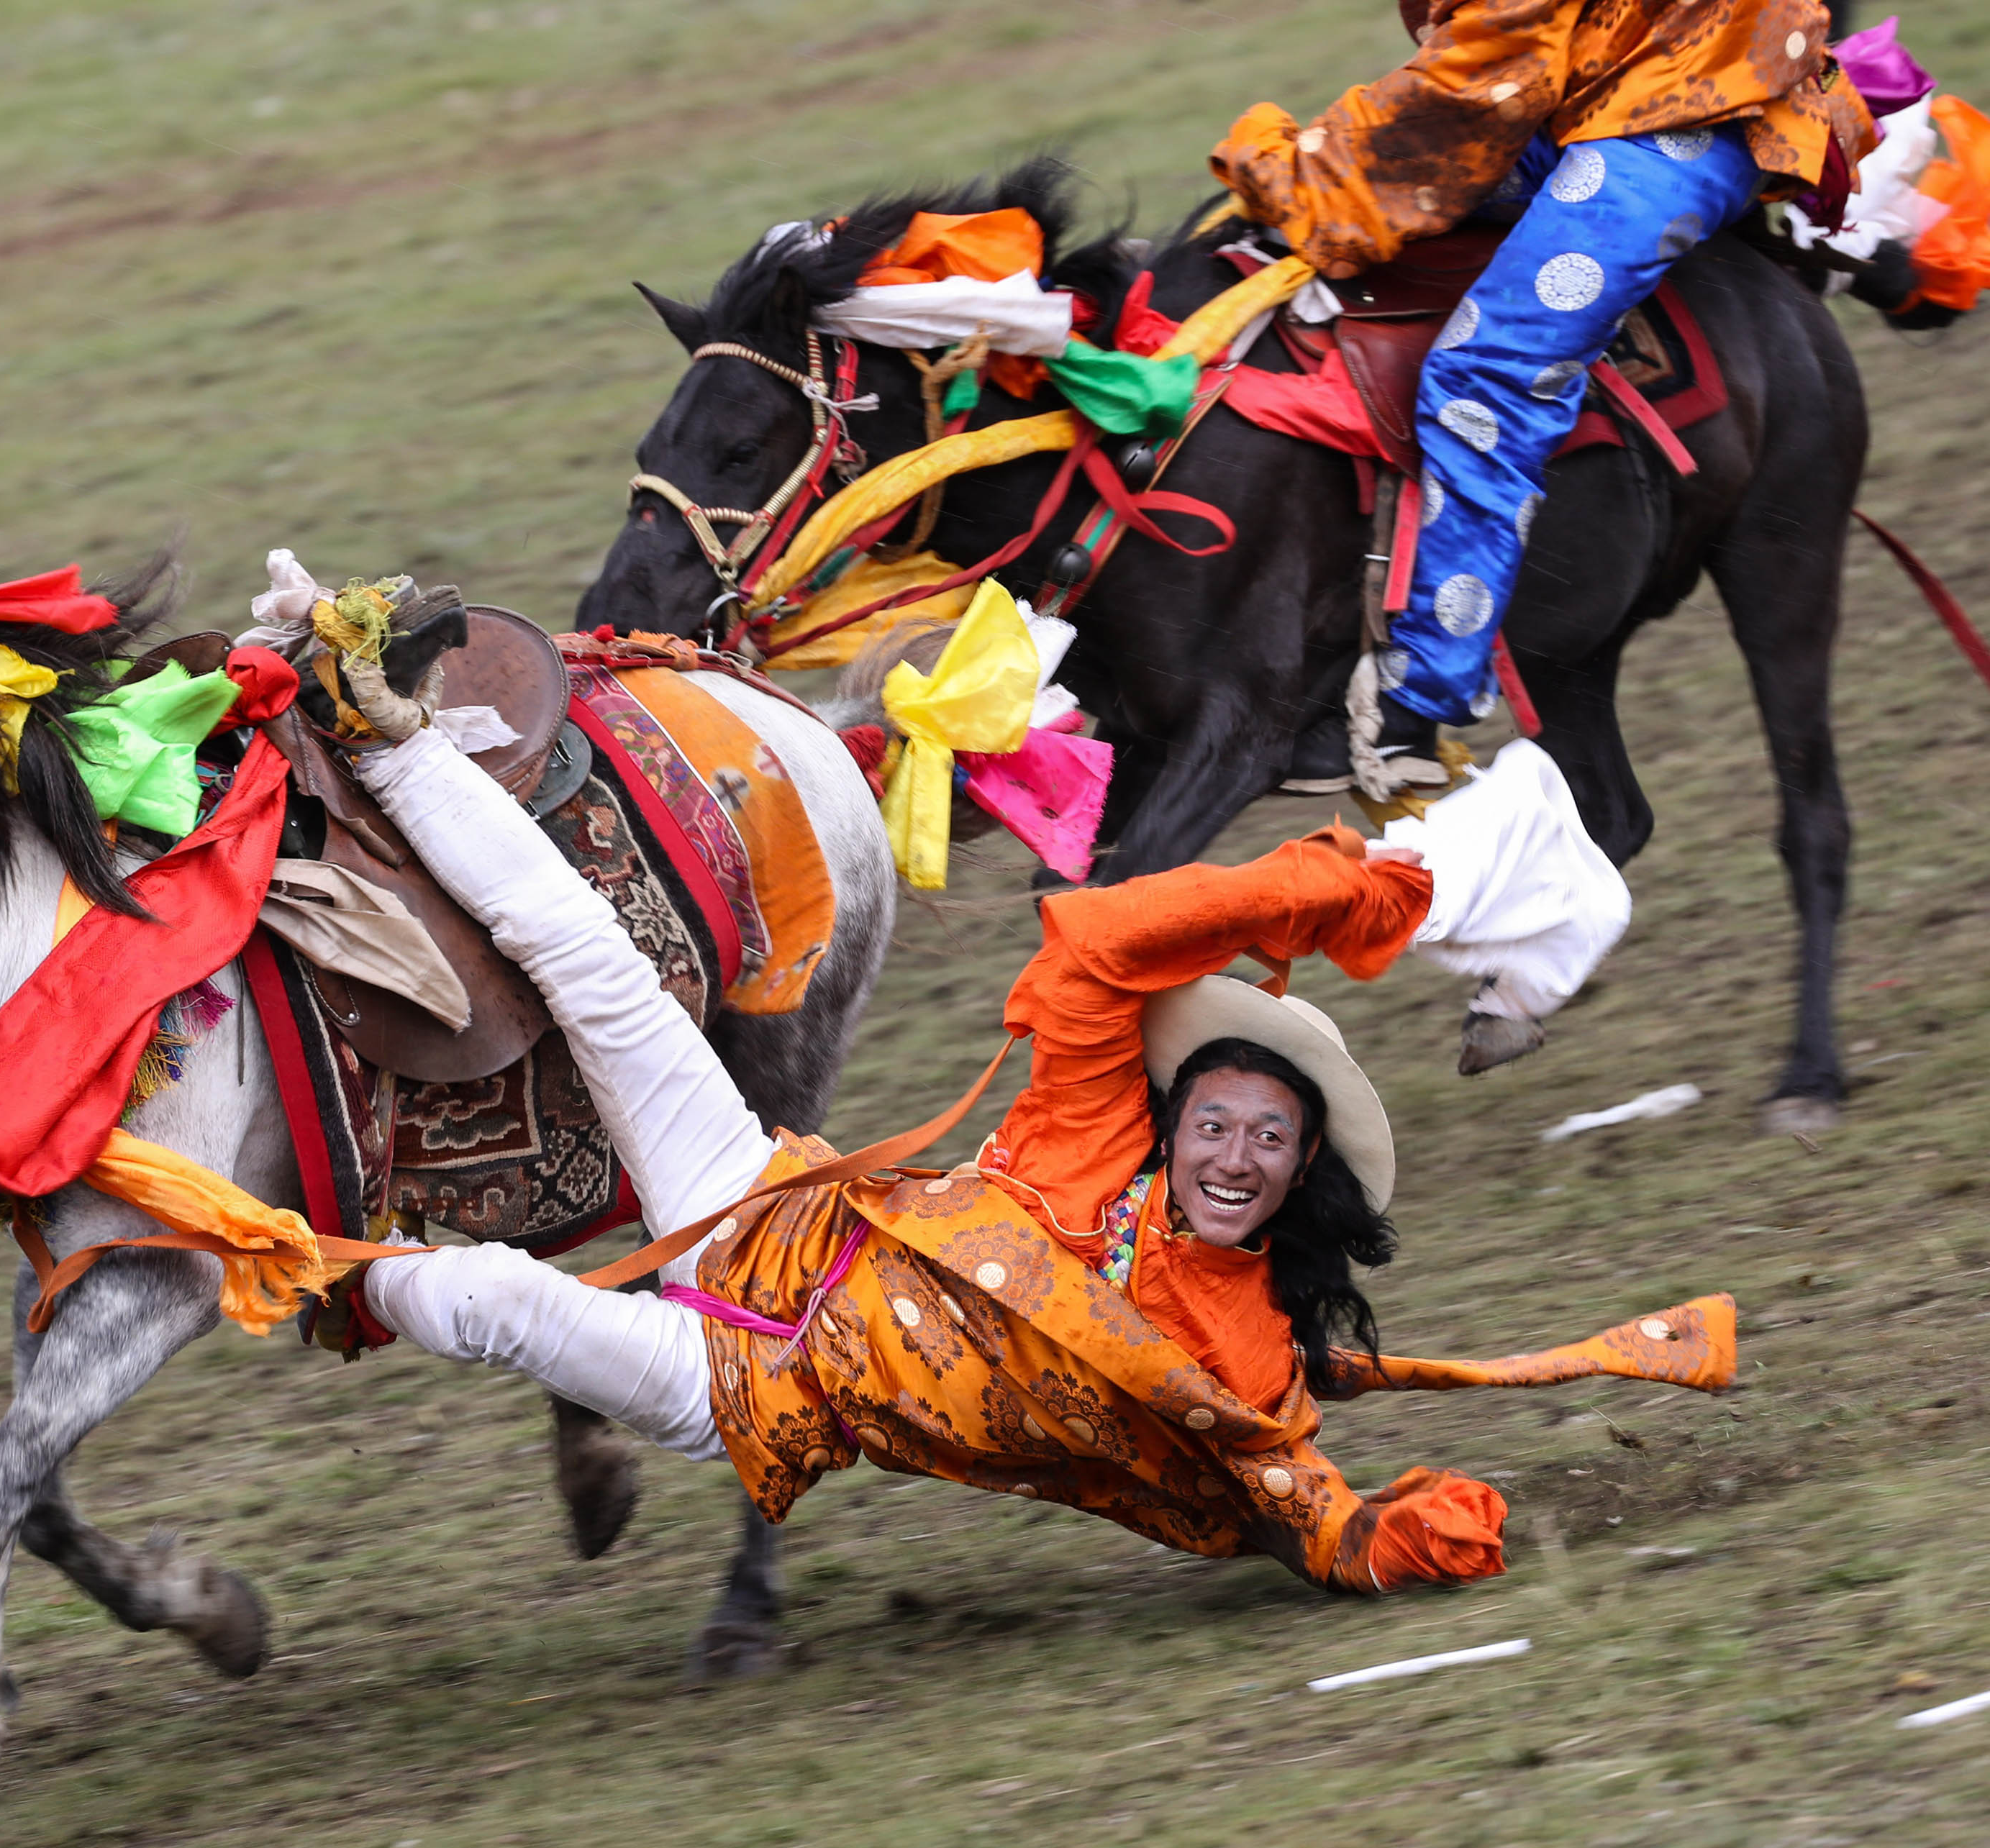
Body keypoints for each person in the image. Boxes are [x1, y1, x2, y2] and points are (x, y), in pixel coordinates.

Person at [327, 650, 1728, 1597]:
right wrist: (1333, 886)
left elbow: (1301, 1504)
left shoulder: (1246, 1355)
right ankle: (379, 729)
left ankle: (254, 1256)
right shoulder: (1090, 1125)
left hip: (740, 1383)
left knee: (486, 1299)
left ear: (1301, 1173)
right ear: (1176, 1119)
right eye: (1219, 1122)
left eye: (1267, 1142)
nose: (1235, 1156)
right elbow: (1102, 941)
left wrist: (1384, 1536)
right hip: (768, 1200)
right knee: (596, 969)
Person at [1210, 1, 1878, 760]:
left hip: (1683, 110)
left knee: (1483, 376)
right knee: (1362, 211)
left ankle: (1416, 695)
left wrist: (1294, 169)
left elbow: (1487, 70)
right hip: (1591, 89)